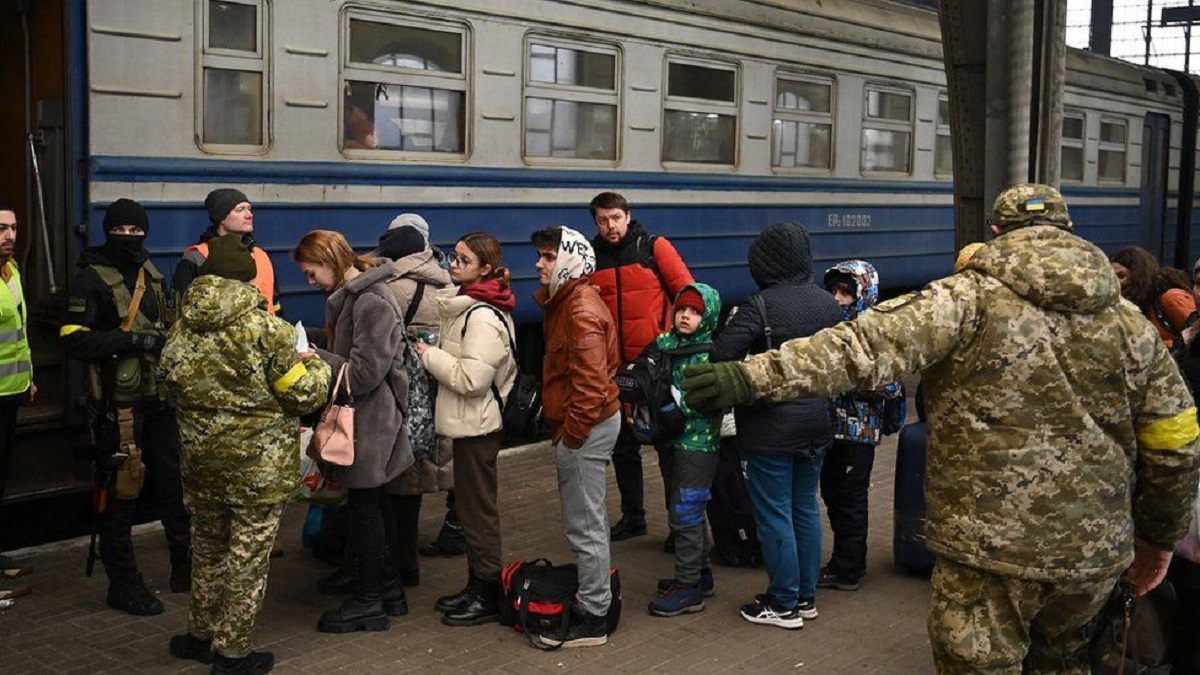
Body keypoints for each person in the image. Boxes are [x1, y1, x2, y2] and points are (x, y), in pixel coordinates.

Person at [682, 184, 1200, 672]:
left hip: (984, 554)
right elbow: (1176, 443)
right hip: (1090, 558)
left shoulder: (960, 300)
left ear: (995, 232)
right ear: (1071, 231)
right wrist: (1157, 539)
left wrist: (747, 377)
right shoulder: (1129, 323)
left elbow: (856, 348)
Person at [162, 235, 331, 675]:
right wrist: (315, 363)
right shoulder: (267, 330)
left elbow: (166, 381)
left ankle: (199, 635)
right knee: (247, 557)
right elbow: (303, 395)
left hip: (202, 463)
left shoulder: (183, 325)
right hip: (256, 468)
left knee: (208, 548)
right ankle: (233, 653)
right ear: (248, 278)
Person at [707, 222, 843, 630]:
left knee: (774, 513)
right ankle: (805, 597)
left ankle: (782, 604)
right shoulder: (828, 305)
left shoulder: (759, 305)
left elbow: (722, 355)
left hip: (770, 429)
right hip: (818, 423)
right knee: (805, 506)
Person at [60, 198, 191, 616]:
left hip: (159, 402)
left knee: (173, 486)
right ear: (108, 231)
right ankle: (124, 584)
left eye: (137, 232)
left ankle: (184, 567)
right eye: (122, 231)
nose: (130, 239)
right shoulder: (90, 280)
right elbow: (73, 340)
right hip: (119, 410)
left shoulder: (151, 273)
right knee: (123, 494)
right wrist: (132, 341)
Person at [292, 230, 414, 634]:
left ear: (331, 260)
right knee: (374, 504)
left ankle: (369, 601)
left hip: (371, 419)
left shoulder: (371, 301)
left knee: (366, 509)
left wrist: (314, 355)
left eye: (313, 273)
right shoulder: (355, 297)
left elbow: (363, 373)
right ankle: (388, 590)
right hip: (366, 417)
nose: (310, 282)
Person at [417, 232, 517, 626]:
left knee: (478, 513)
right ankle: (477, 584)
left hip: (478, 427)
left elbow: (472, 380)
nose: (452, 265)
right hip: (468, 424)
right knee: (472, 510)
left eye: (462, 260)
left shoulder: (482, 317)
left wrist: (430, 356)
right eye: (453, 258)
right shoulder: (472, 308)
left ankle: (487, 592)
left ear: (486, 269)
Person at [531, 225, 622, 648]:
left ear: (569, 259)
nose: (539, 263)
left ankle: (594, 615)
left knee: (584, 524)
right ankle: (597, 598)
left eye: (549, 256)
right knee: (589, 520)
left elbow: (590, 383)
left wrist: (572, 436)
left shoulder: (579, 309)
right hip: (587, 422)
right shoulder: (570, 301)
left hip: (584, 426)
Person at [588, 191, 694, 543]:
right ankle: (634, 517)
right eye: (603, 220)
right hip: (616, 368)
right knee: (622, 447)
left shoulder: (653, 247)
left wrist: (674, 347)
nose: (610, 226)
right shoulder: (591, 258)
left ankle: (678, 527)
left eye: (616, 218)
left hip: (655, 367)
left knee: (666, 448)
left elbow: (688, 295)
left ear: (628, 216)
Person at [818, 260, 903, 592]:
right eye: (833, 291)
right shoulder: (829, 327)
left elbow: (891, 385)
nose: (838, 298)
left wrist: (846, 381)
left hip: (858, 434)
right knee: (833, 495)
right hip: (830, 430)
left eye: (845, 292)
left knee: (851, 499)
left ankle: (848, 568)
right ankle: (846, 560)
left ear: (863, 293)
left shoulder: (875, 332)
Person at [647, 283, 722, 618]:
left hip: (698, 443)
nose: (685, 317)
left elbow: (708, 401)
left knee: (687, 511)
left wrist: (673, 405)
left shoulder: (710, 354)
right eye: (681, 310)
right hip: (670, 440)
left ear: (707, 318)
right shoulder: (666, 344)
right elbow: (643, 367)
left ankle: (689, 587)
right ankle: (700, 574)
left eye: (694, 312)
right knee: (679, 505)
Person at [0, 200, 35, 599]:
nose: (10, 236)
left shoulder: (12, 272)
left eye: (12, 227)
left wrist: (30, 376)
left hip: (10, 392)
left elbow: (18, 333)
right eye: (1, 229)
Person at [175, 188, 282, 316]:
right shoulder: (197, 257)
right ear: (221, 218)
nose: (249, 215)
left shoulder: (261, 255)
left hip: (267, 333)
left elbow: (274, 304)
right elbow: (185, 310)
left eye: (249, 209)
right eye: (240, 210)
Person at [1110, 245, 1198, 353]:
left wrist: (1159, 346)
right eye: (1111, 277)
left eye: (1121, 276)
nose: (1115, 282)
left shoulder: (1170, 298)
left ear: (1139, 276)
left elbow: (1196, 334)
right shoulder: (1134, 304)